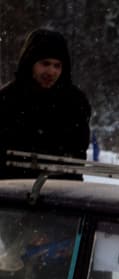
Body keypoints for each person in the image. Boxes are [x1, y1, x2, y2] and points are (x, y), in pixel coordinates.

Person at [0, 28, 92, 180]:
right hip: (12, 194)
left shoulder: (75, 103)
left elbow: (77, 155)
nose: (51, 71)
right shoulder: (6, 100)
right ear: (30, 62)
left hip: (62, 194)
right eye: (45, 63)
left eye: (57, 65)